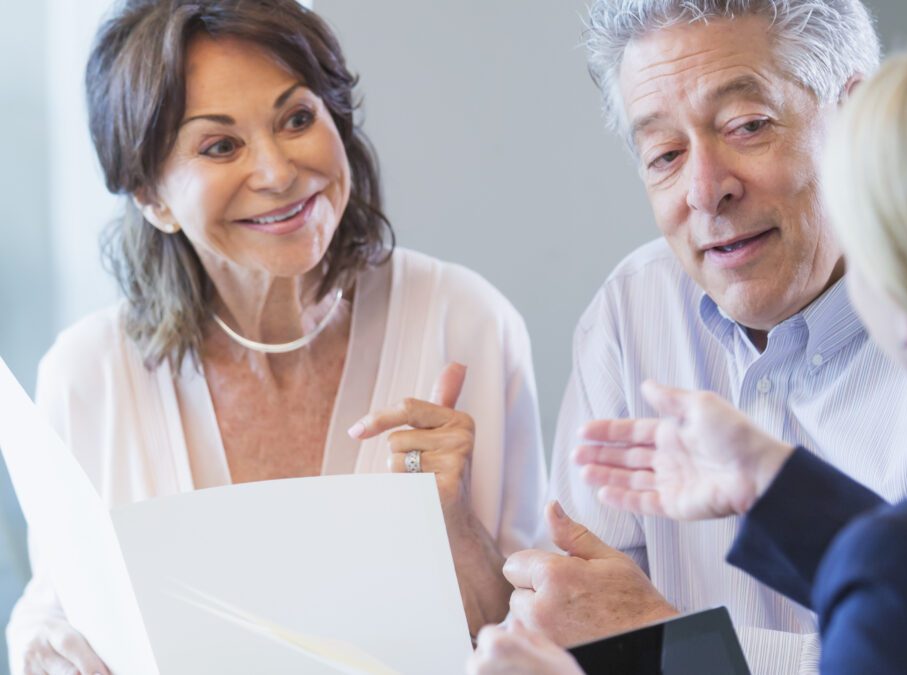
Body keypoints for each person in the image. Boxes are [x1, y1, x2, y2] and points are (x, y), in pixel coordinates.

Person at [472, 46, 907, 674]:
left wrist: (641, 651)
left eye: (748, 125)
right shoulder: (630, 308)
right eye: (664, 155)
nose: (707, 191)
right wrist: (777, 486)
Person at [6, 1, 545, 673]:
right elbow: (55, 606)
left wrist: (455, 523)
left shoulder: (466, 323)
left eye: (297, 118)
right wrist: (45, 646)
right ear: (152, 197)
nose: (278, 171)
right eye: (220, 145)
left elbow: (540, 638)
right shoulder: (87, 376)